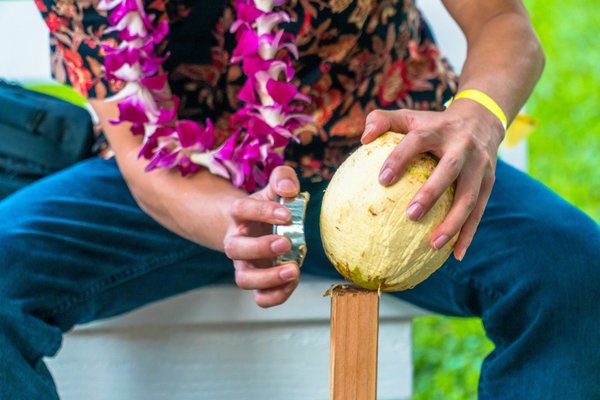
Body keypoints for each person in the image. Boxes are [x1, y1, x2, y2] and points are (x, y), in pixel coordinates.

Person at [1, 0, 598, 398]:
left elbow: (504, 25)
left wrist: (477, 118)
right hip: (183, 185)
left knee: (571, 271)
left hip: (389, 170)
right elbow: (142, 159)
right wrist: (244, 225)